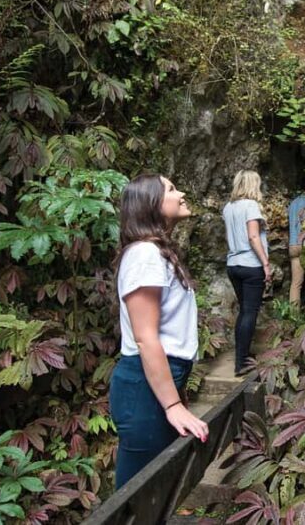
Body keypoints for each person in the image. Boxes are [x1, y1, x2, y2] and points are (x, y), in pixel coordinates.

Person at [110, 174, 209, 489]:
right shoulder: (145, 255)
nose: (181, 193)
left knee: (153, 493)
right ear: (152, 204)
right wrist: (172, 404)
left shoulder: (154, 253)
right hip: (144, 387)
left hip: (153, 383)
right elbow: (146, 337)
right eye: (171, 189)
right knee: (136, 499)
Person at [222, 170, 270, 376]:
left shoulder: (228, 207)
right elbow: (253, 236)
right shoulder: (251, 206)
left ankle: (243, 355)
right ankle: (241, 363)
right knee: (250, 312)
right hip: (251, 265)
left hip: (233, 264)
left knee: (244, 310)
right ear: (253, 185)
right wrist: (266, 263)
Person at [287, 183, 305, 306]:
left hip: (292, 245)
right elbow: (304, 222)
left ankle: (293, 316)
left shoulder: (292, 204)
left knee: (296, 284)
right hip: (304, 244)